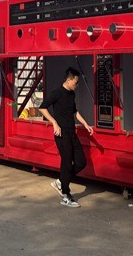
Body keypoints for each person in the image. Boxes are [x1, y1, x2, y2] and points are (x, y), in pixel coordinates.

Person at [39, 67, 93, 207]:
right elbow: (42, 107)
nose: (77, 85)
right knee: (67, 162)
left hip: (72, 133)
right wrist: (54, 123)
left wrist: (86, 124)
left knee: (81, 162)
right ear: (68, 80)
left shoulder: (71, 95)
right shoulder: (57, 93)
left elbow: (75, 112)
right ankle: (65, 196)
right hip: (61, 134)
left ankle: (61, 182)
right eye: (76, 82)